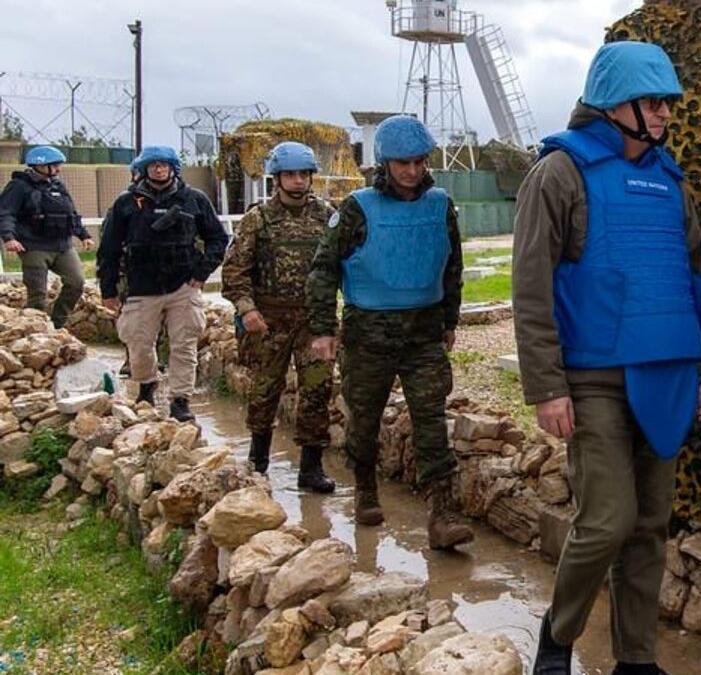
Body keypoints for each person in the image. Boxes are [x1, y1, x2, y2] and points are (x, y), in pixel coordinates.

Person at [513, 41, 701, 675]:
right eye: (653, 102)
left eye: (667, 103)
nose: (663, 114)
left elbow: (692, 281)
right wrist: (547, 387)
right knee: (606, 520)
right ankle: (559, 635)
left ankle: (637, 660)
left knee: (651, 523)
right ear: (614, 104)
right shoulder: (559, 173)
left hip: (667, 373)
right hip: (592, 377)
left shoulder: (670, 179)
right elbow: (532, 285)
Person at [305, 115, 472, 550]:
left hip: (424, 331)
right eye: (402, 163)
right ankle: (364, 488)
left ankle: (442, 514)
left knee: (432, 420)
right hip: (368, 334)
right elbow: (323, 269)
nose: (412, 171)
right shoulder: (357, 208)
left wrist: (449, 321)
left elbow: (452, 267)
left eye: (418, 161)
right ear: (385, 163)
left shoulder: (440, 205)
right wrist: (323, 328)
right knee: (365, 418)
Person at [221, 141, 336, 492]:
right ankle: (258, 462)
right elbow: (235, 271)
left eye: (303, 174)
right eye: (290, 174)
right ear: (278, 178)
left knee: (317, 391)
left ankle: (311, 468)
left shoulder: (326, 216)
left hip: (314, 323)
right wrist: (248, 310)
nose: (298, 181)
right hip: (269, 322)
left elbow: (340, 265)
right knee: (265, 390)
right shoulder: (259, 219)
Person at [97, 145, 228, 422]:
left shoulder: (194, 199)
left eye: (164, 165)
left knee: (184, 345)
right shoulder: (126, 203)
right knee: (139, 344)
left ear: (173, 168)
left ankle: (180, 399)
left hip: (183, 285)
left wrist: (202, 272)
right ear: (144, 169)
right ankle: (146, 385)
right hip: (141, 287)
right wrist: (108, 289)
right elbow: (108, 249)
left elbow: (218, 239)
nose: (159, 169)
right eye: (153, 165)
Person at [0, 145, 93, 327]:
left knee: (76, 282)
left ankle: (57, 324)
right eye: (55, 165)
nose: (58, 169)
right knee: (38, 294)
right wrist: (9, 238)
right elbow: (5, 213)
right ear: (40, 165)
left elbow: (71, 213)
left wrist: (83, 235)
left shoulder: (58, 185)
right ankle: (36, 331)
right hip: (34, 246)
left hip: (62, 246)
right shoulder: (19, 186)